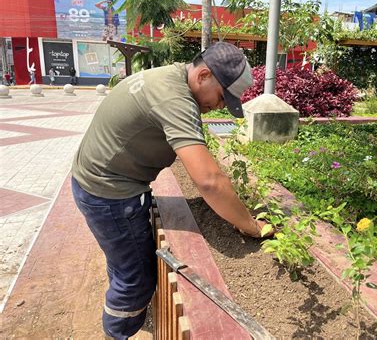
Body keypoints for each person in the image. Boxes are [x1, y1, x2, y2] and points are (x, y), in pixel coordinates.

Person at [71, 42, 273, 339]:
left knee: (122, 265)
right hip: (110, 194)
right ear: (203, 75)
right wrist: (251, 227)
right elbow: (209, 182)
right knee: (136, 279)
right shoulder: (174, 97)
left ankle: (120, 311)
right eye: (221, 97)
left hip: (96, 182)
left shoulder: (169, 77)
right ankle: (116, 333)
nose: (219, 106)